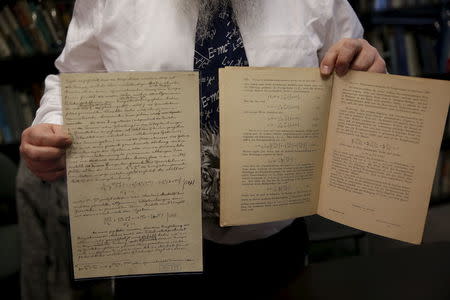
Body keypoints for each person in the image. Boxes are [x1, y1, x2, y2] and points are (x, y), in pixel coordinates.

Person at [17, 0, 386, 299]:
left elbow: (352, 70)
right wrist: (50, 124)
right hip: (148, 247)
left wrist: (367, 75)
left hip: (275, 243)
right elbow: (72, 82)